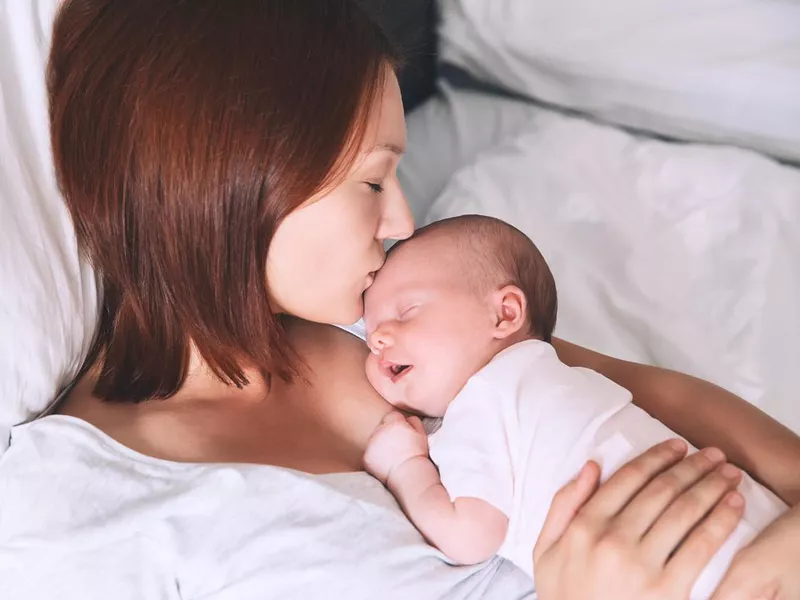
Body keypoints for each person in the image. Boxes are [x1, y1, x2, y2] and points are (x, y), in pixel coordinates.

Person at [1, 1, 799, 599]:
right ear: (237, 180)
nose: (402, 223)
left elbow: (646, 396)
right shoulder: (77, 511)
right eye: (374, 180)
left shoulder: (371, 324)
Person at [361, 215, 787, 598]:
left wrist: (405, 467)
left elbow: (470, 534)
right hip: (762, 527)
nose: (379, 338)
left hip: (697, 571)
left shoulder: (478, 405)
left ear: (505, 313)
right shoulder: (567, 375)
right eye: (371, 335)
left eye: (407, 311)